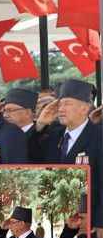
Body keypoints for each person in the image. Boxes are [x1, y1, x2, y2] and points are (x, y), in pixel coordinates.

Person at [38, 79, 103, 228]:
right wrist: (40, 124)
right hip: (62, 220)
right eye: (59, 104)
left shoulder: (98, 137)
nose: (61, 109)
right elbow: (31, 156)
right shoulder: (53, 135)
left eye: (67, 104)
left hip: (90, 221)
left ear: (85, 108)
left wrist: (100, 224)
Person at [2, 88, 43, 163]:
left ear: (27, 112)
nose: (5, 115)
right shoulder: (3, 134)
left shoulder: (41, 136)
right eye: (4, 111)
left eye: (10, 110)